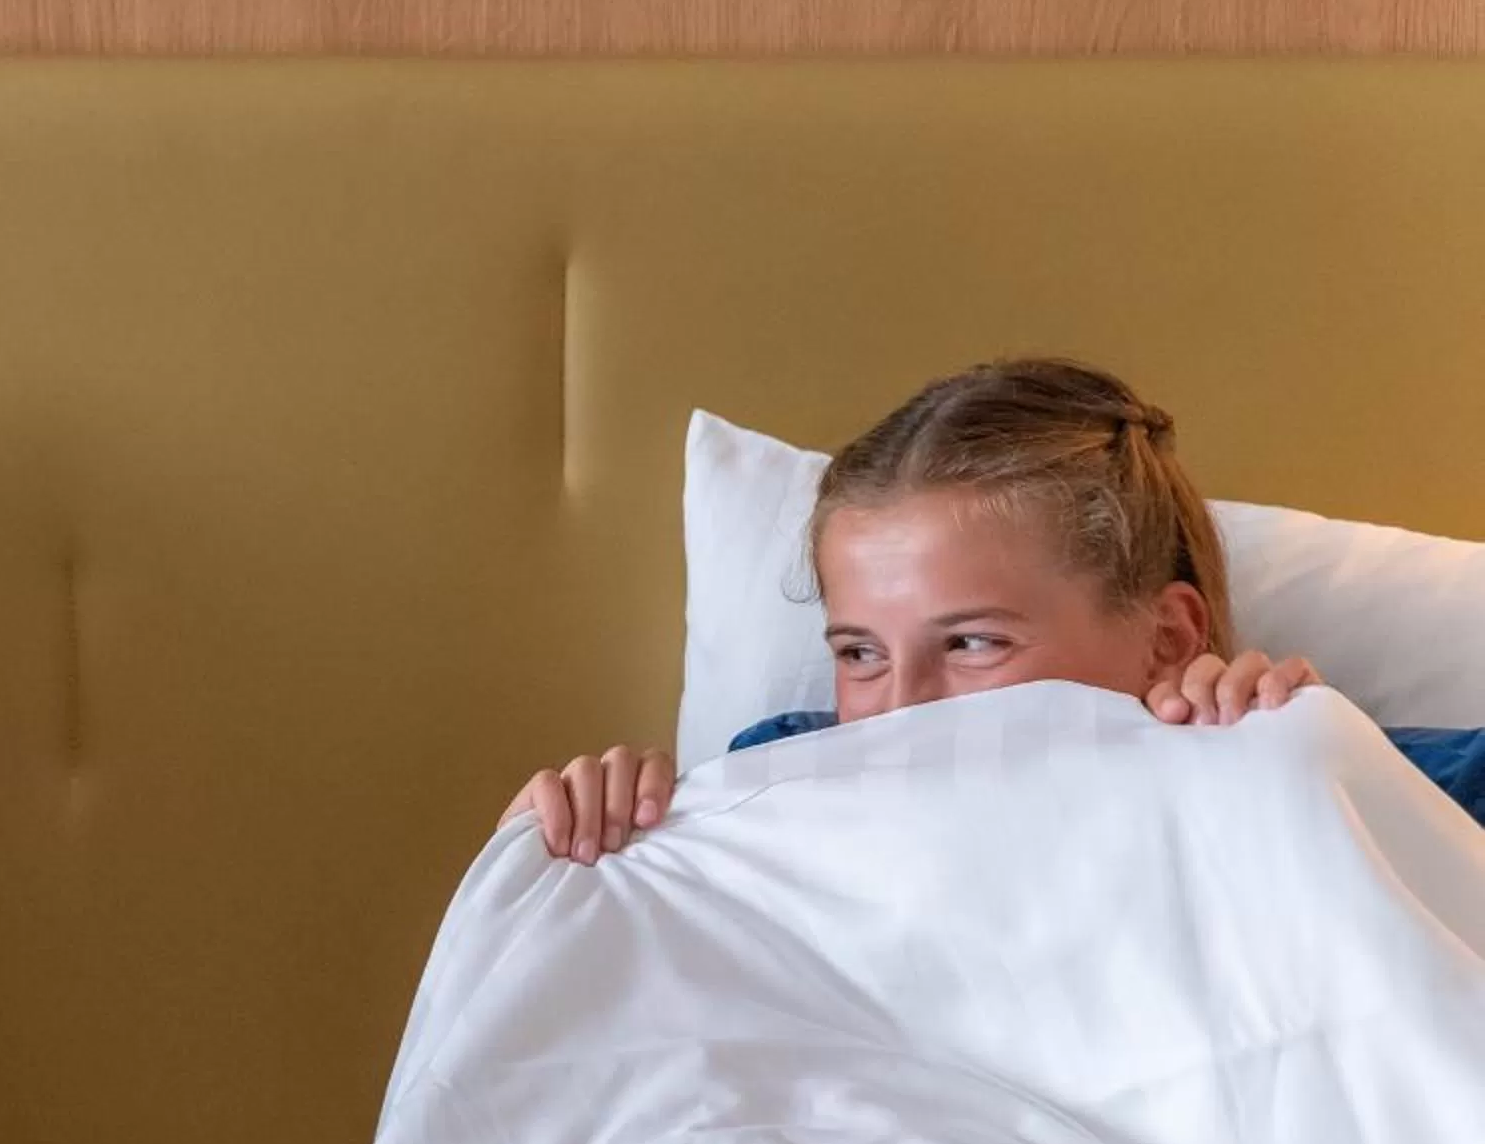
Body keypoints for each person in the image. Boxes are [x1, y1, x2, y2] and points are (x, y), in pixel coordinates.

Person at [509, 358, 1397, 863]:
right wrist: (573, 852)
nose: (899, 710)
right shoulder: (772, 788)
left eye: (972, 642)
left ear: (1167, 639)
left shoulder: (1379, 777)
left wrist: (1331, 783)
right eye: (860, 653)